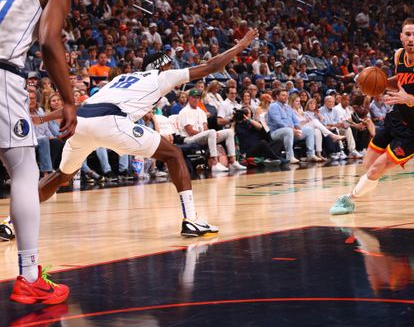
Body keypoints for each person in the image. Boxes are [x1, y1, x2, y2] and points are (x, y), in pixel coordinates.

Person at [38, 29, 258, 238]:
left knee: (61, 176)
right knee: (173, 155)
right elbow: (212, 65)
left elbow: (80, 106)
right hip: (111, 122)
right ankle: (191, 219)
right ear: (162, 66)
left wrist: (42, 118)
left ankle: (11, 221)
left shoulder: (119, 79)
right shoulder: (161, 77)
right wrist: (241, 44)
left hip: (83, 123)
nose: (173, 67)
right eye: (170, 64)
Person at [0, 0, 76, 304]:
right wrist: (69, 100)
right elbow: (48, 42)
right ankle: (30, 276)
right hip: (2, 77)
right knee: (25, 172)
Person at [330, 18, 414, 215]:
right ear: (401, 37)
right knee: (367, 167)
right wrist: (378, 83)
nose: (411, 38)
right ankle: (368, 188)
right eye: (407, 34)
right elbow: (399, 80)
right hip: (394, 120)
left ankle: (349, 199)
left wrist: (409, 99)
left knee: (376, 169)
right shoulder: (398, 55)